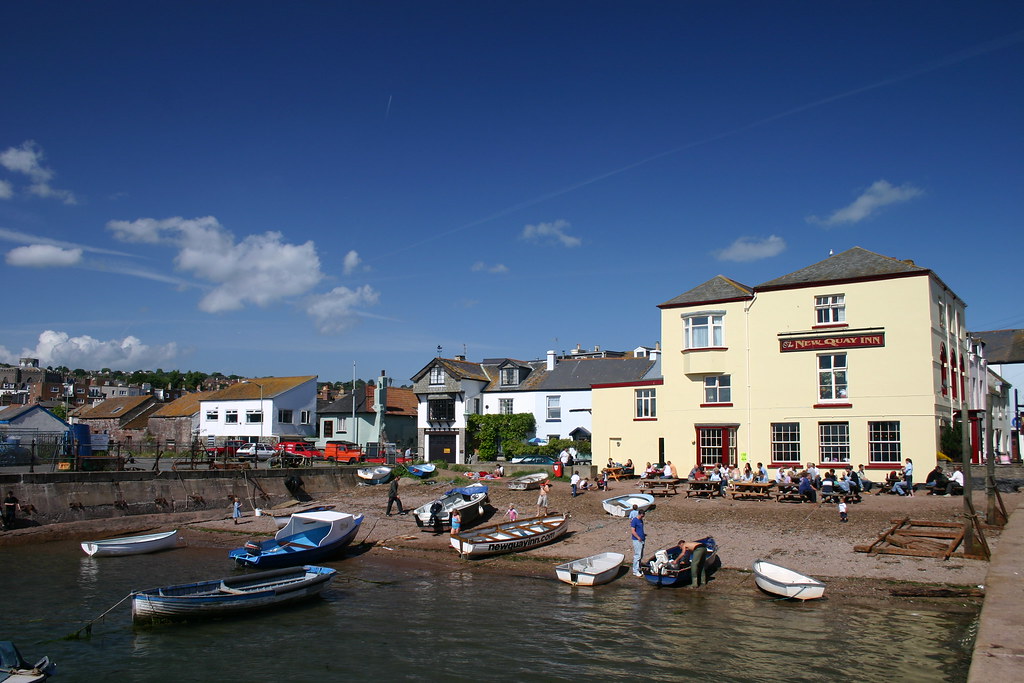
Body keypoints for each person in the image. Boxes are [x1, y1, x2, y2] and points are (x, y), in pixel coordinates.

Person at [630, 510, 646, 577]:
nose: (642, 517)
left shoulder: (641, 521)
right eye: (642, 516)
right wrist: (638, 537)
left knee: (641, 555)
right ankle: (635, 570)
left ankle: (638, 568)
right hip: (637, 540)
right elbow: (633, 531)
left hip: (642, 539)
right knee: (637, 555)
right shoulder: (634, 520)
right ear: (639, 514)